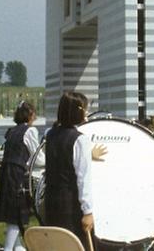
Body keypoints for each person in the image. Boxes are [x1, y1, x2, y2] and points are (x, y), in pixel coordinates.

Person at [43, 92, 98, 248]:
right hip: (70, 204)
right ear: (78, 111)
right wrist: (87, 211)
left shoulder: (51, 134)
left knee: (57, 244)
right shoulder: (80, 140)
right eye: (85, 109)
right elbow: (83, 178)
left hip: (51, 200)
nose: (86, 112)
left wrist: (89, 154)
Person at [0, 102, 44, 251]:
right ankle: (9, 248)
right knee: (16, 214)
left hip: (6, 172)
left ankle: (17, 246)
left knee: (12, 213)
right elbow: (37, 157)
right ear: (30, 115)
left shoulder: (12, 131)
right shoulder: (30, 131)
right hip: (17, 174)